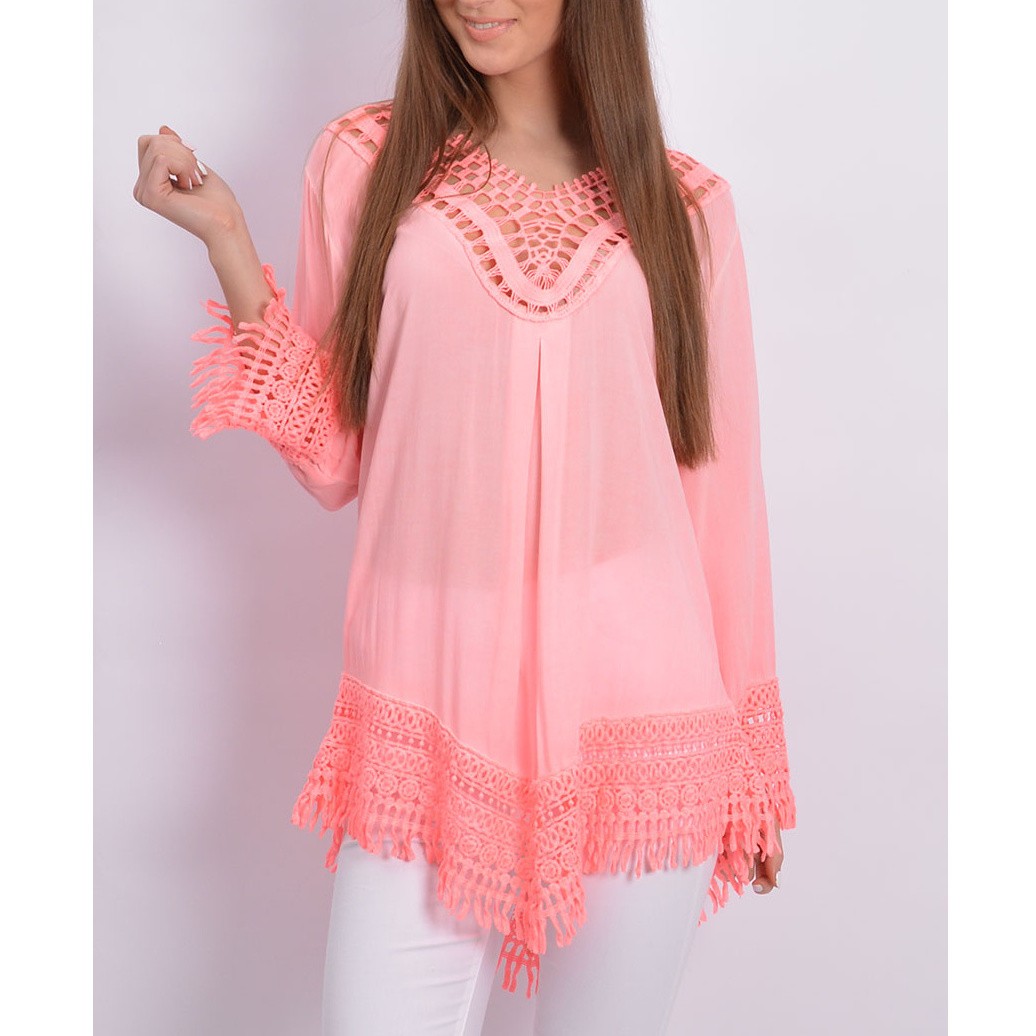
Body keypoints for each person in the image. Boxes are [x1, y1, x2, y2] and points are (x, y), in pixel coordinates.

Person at [133, 1, 798, 1032]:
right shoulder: (365, 161)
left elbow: (720, 495)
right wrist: (225, 236)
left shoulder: (686, 206)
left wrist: (753, 769)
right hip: (428, 717)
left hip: (646, 738)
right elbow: (336, 455)